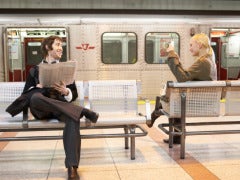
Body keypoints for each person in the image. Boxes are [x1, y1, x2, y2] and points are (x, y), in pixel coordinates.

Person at [7, 35, 99, 180]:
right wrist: (36, 88)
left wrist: (66, 91)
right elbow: (25, 95)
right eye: (57, 44)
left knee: (72, 118)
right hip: (41, 108)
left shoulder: (65, 68)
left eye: (61, 45)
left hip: (60, 107)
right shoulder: (35, 70)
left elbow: (73, 94)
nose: (60, 48)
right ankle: (82, 111)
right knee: (36, 97)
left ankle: (72, 168)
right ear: (47, 48)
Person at [147, 33, 217, 144]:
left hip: (199, 103)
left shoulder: (203, 62)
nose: (189, 49)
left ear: (199, 45)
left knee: (170, 101)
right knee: (173, 99)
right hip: (206, 101)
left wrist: (172, 54)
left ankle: (154, 116)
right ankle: (160, 122)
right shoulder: (209, 60)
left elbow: (182, 77)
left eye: (191, 45)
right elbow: (186, 75)